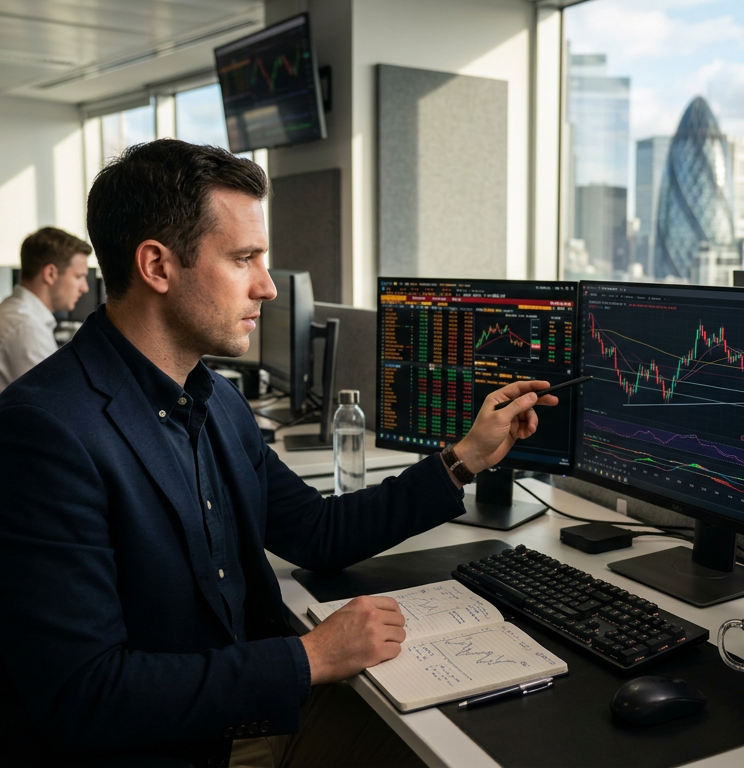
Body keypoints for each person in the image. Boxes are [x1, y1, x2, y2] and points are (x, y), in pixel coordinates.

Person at [0, 139, 556, 768]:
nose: (266, 286)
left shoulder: (212, 401)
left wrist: (464, 458)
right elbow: (85, 696)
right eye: (244, 259)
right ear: (157, 266)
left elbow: (318, 532)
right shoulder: (46, 431)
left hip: (239, 712)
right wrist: (310, 658)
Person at [0, 226, 91, 391]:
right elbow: (58, 398)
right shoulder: (26, 328)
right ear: (50, 274)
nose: (85, 288)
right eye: (79, 277)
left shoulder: (14, 312)